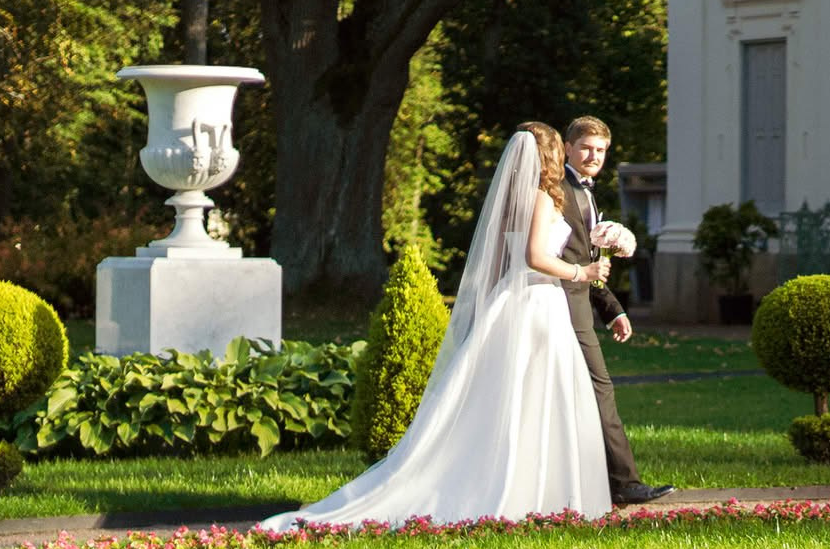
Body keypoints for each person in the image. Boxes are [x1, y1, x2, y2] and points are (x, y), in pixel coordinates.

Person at [262, 124, 611, 528]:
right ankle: (533, 486)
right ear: (552, 154)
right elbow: (535, 255)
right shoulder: (541, 199)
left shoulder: (514, 199)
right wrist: (580, 272)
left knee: (509, 397)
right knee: (535, 394)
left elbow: (504, 257)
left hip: (514, 301)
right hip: (537, 301)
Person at [559, 115, 674, 504]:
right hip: (560, 309)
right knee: (599, 390)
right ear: (567, 149)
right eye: (587, 148)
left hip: (579, 305)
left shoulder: (587, 194)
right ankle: (624, 484)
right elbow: (553, 258)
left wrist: (613, 310)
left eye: (601, 151)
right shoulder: (557, 191)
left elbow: (586, 261)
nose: (594, 156)